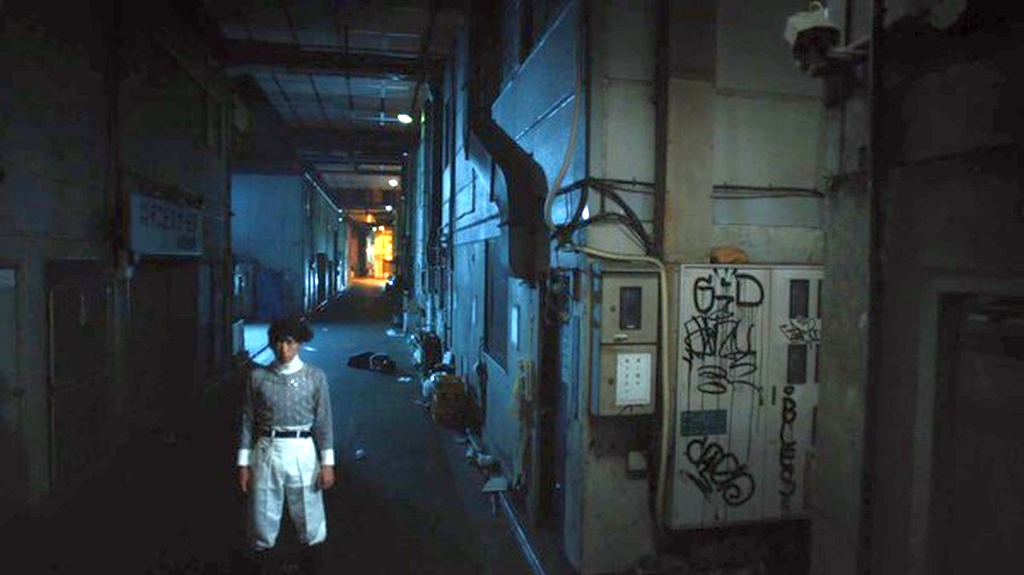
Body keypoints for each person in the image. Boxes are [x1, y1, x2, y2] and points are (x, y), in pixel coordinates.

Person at [236, 317, 335, 574]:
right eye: (278, 343)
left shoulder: (315, 377)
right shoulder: (257, 378)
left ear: (299, 343)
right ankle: (263, 564)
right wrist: (243, 464)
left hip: (302, 449)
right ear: (272, 345)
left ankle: (311, 565)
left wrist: (327, 464)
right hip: (267, 449)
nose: (284, 349)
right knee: (262, 513)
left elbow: (323, 422)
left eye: (290, 342)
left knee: (309, 513)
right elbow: (247, 421)